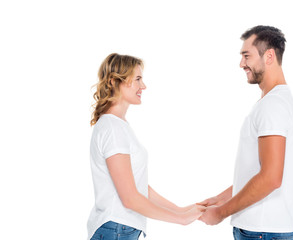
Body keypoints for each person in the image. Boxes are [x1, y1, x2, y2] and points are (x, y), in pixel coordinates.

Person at [87, 53, 205, 240]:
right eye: (137, 79)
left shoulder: (118, 126)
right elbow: (130, 198)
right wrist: (179, 219)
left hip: (119, 229)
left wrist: (180, 210)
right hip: (117, 229)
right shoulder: (112, 128)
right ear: (113, 82)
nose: (143, 86)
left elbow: (138, 187)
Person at [198, 26, 293, 240]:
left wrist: (220, 213)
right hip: (262, 231)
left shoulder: (273, 106)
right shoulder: (273, 102)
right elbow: (257, 173)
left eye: (246, 56)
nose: (241, 64)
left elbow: (270, 178)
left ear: (269, 56)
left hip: (261, 231)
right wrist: (220, 199)